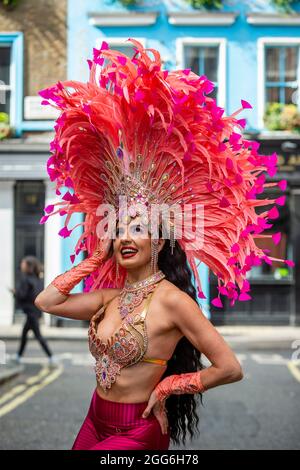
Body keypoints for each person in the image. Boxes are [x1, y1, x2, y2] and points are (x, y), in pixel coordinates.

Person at [35, 38, 292, 450]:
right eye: (117, 229)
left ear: (160, 241)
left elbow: (230, 367)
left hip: (138, 431)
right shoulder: (110, 297)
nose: (123, 237)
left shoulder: (173, 302)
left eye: (136, 229)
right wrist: (93, 259)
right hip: (93, 420)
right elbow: (47, 302)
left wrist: (171, 385)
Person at [9, 256, 56, 366]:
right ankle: (18, 356)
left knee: (38, 336)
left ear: (28, 266)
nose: (21, 265)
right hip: (35, 311)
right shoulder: (37, 279)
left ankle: (51, 356)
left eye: (23, 264)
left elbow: (23, 295)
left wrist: (15, 292)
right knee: (24, 334)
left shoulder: (26, 279)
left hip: (30, 312)